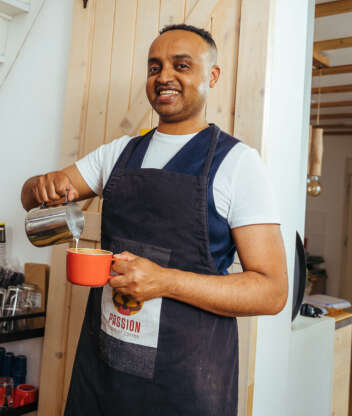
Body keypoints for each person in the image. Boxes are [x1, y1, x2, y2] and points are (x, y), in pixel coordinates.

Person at [20, 24, 287, 416]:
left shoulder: (238, 164)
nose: (164, 76)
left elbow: (272, 291)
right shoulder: (118, 154)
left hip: (186, 378)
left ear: (211, 76)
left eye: (182, 65)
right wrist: (40, 185)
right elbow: (31, 198)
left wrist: (165, 281)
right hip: (105, 365)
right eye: (154, 67)